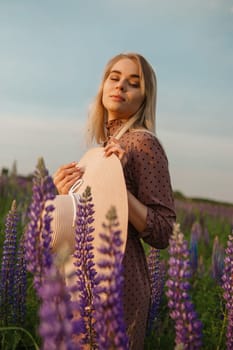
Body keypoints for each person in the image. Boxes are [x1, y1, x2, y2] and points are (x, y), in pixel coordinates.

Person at [53, 52, 176, 349]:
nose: (120, 86)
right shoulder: (101, 150)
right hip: (81, 278)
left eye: (133, 83)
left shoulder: (142, 143)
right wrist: (64, 195)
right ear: (103, 86)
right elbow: (83, 223)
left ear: (144, 99)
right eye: (114, 78)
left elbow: (163, 231)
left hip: (121, 285)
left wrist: (119, 187)